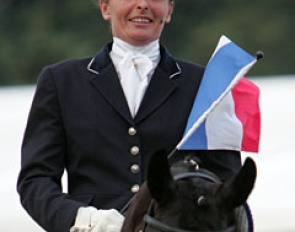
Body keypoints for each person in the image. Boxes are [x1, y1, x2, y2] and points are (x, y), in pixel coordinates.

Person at [17, 0, 242, 232]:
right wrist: (83, 219)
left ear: (169, 9)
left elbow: (227, 180)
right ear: (105, 7)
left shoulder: (203, 84)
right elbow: (36, 180)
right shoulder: (61, 81)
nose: (142, 5)